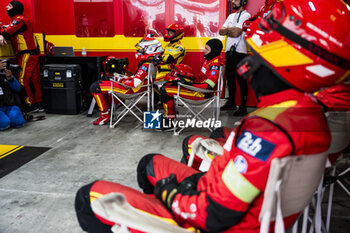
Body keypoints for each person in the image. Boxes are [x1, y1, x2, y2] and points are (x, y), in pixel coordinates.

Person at [75, 0, 350, 232]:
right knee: (150, 162)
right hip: (226, 194)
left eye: (257, 56)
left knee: (87, 198)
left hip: (210, 219)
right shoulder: (306, 114)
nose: (247, 64)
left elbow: (216, 214)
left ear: (290, 61)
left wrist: (171, 195)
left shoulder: (269, 129)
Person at [90, 35, 163, 125]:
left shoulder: (145, 65)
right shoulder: (152, 64)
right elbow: (138, 79)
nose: (138, 51)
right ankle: (109, 110)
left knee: (95, 87)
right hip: (139, 89)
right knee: (103, 84)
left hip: (129, 91)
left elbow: (134, 84)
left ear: (150, 49)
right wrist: (127, 78)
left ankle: (104, 114)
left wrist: (120, 81)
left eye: (141, 49)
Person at [159, 38, 223, 125]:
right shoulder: (209, 60)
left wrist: (188, 83)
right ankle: (171, 116)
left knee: (165, 90)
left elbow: (208, 86)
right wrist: (185, 78)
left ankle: (170, 121)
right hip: (197, 88)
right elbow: (201, 78)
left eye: (207, 49)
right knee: (169, 84)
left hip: (201, 94)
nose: (204, 50)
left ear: (214, 51)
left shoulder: (215, 65)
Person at [0, 1, 43, 112]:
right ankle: (38, 104)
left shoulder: (19, 20)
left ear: (15, 8)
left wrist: (2, 34)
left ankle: (29, 104)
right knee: (34, 79)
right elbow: (8, 30)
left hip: (27, 54)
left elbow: (8, 32)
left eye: (9, 6)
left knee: (22, 79)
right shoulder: (18, 20)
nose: (6, 7)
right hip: (31, 54)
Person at [219, 0, 250, 116]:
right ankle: (231, 103)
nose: (232, 1)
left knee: (241, 80)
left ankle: (243, 107)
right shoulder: (231, 16)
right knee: (230, 78)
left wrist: (228, 30)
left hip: (240, 52)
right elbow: (221, 31)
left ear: (243, 1)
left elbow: (237, 33)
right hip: (228, 51)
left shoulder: (247, 15)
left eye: (235, 0)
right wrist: (229, 30)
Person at [0, 60, 25, 130]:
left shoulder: (5, 74)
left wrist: (10, 78)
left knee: (19, 122)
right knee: (4, 124)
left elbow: (17, 88)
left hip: (10, 105)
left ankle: (9, 117)